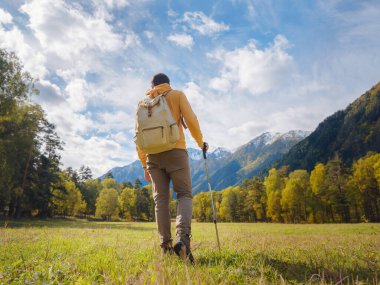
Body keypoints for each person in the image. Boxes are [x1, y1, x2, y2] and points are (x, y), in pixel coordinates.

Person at [136, 73, 207, 263]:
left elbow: (138, 135)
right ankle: (182, 240)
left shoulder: (144, 103)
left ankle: (165, 246)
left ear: (152, 85)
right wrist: (201, 143)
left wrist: (144, 163)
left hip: (153, 156)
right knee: (184, 194)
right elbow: (191, 120)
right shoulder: (177, 95)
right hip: (176, 151)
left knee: (161, 200)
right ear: (168, 83)